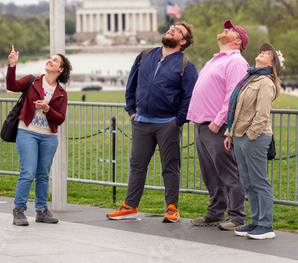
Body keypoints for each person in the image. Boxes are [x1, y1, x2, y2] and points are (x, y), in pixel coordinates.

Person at [106, 21, 198, 223]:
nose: (171, 29)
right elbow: (132, 84)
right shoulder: (145, 55)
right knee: (137, 166)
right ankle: (130, 206)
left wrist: (178, 121)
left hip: (168, 124)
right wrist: (131, 111)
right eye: (172, 26)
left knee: (170, 167)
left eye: (177, 30)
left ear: (183, 41)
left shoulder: (186, 66)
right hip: (141, 122)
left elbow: (189, 97)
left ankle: (172, 208)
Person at [187, 20, 249, 231]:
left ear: (238, 41)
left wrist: (218, 122)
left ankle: (237, 217)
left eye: (230, 30)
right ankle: (215, 212)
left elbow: (234, 94)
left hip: (216, 126)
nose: (224, 30)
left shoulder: (236, 61)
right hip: (202, 124)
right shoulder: (215, 60)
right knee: (210, 174)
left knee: (228, 173)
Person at [224, 42, 284, 240]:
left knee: (259, 181)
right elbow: (238, 109)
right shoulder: (250, 78)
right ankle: (256, 221)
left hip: (255, 138)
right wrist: (230, 134)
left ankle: (266, 225)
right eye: (263, 51)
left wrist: (250, 135)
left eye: (268, 53)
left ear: (273, 63)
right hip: (240, 136)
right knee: (248, 182)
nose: (263, 52)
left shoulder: (266, 82)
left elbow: (262, 114)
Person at [7, 46, 73, 226]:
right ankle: (18, 210)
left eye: (55, 60)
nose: (50, 60)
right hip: (27, 132)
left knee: (43, 174)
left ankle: (42, 210)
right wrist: (12, 65)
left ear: (60, 70)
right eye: (50, 58)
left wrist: (47, 109)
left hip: (49, 137)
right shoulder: (31, 81)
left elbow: (60, 119)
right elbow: (11, 86)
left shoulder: (61, 93)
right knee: (28, 172)